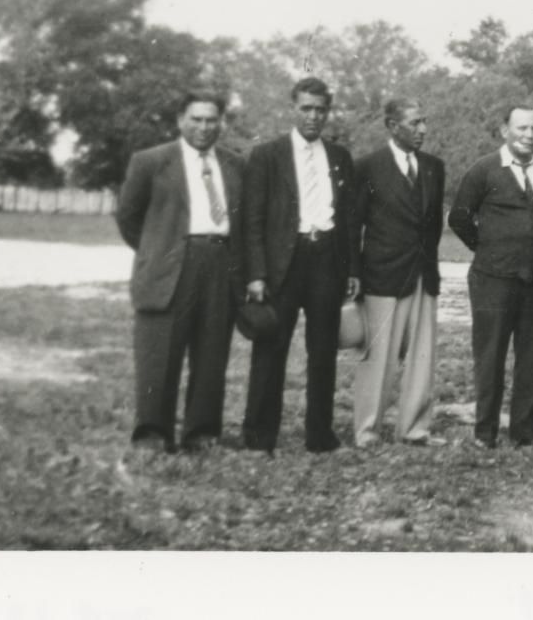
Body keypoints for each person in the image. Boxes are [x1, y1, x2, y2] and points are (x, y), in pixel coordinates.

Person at [116, 90, 243, 453]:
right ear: (180, 120)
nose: (204, 127)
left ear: (221, 123)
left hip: (219, 263)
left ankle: (201, 433)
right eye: (196, 119)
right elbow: (128, 217)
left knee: (211, 353)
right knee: (159, 354)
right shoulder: (151, 161)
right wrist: (158, 251)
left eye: (211, 120)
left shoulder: (236, 165)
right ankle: (153, 434)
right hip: (170, 265)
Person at [240, 77, 360, 453]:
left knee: (323, 352)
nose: (313, 116)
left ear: (328, 112)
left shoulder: (339, 157)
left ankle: (320, 436)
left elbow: (350, 218)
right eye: (306, 108)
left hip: (326, 259)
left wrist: (352, 268)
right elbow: (252, 220)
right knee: (271, 348)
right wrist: (256, 273)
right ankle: (260, 437)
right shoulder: (267, 155)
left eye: (320, 110)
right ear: (293, 108)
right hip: (283, 264)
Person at [448, 105, 533, 448]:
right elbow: (459, 217)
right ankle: (485, 433)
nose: (529, 135)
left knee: (532, 358)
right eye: (521, 128)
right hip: (492, 279)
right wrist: (487, 249)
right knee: (490, 357)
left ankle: (524, 433)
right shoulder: (484, 169)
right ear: (504, 131)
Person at [350, 98, 446, 448]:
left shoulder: (434, 167)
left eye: (424, 122)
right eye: (414, 123)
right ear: (392, 126)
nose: (423, 129)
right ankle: (367, 430)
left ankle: (414, 428)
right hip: (382, 275)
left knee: (422, 355)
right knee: (378, 358)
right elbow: (353, 225)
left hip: (423, 274)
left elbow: (433, 225)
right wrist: (353, 273)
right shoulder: (368, 167)